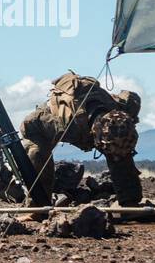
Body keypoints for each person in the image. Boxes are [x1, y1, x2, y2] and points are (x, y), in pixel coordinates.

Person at [19, 72, 143, 206]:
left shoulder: (118, 112)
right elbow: (28, 125)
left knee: (119, 152)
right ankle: (38, 206)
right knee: (36, 152)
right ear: (95, 136)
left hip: (98, 119)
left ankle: (129, 201)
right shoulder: (60, 123)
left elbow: (130, 100)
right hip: (64, 120)